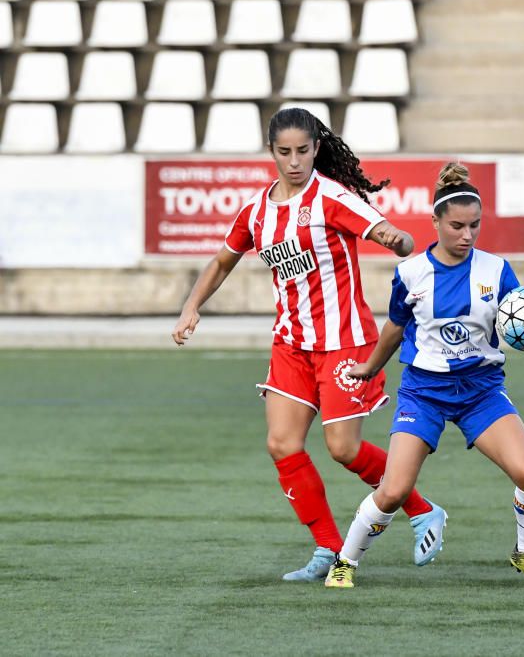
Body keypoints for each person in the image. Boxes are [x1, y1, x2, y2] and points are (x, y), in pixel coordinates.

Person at [171, 107, 447, 579]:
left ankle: (422, 508)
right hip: (291, 344)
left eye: (303, 150)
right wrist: (191, 305)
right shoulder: (256, 211)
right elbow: (221, 262)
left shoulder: (332, 197)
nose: (294, 161)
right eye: (285, 152)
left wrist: (398, 240)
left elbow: (379, 228)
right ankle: (327, 547)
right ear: (271, 152)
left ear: (317, 148)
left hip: (345, 343)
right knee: (281, 443)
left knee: (342, 448)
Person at [322, 162, 524, 590]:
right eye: (457, 226)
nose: (467, 235)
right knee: (392, 491)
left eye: (475, 226)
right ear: (435, 222)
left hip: (480, 390)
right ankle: (345, 561)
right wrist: (371, 367)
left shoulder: (496, 270)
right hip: (424, 392)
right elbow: (394, 327)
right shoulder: (410, 273)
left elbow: (523, 325)